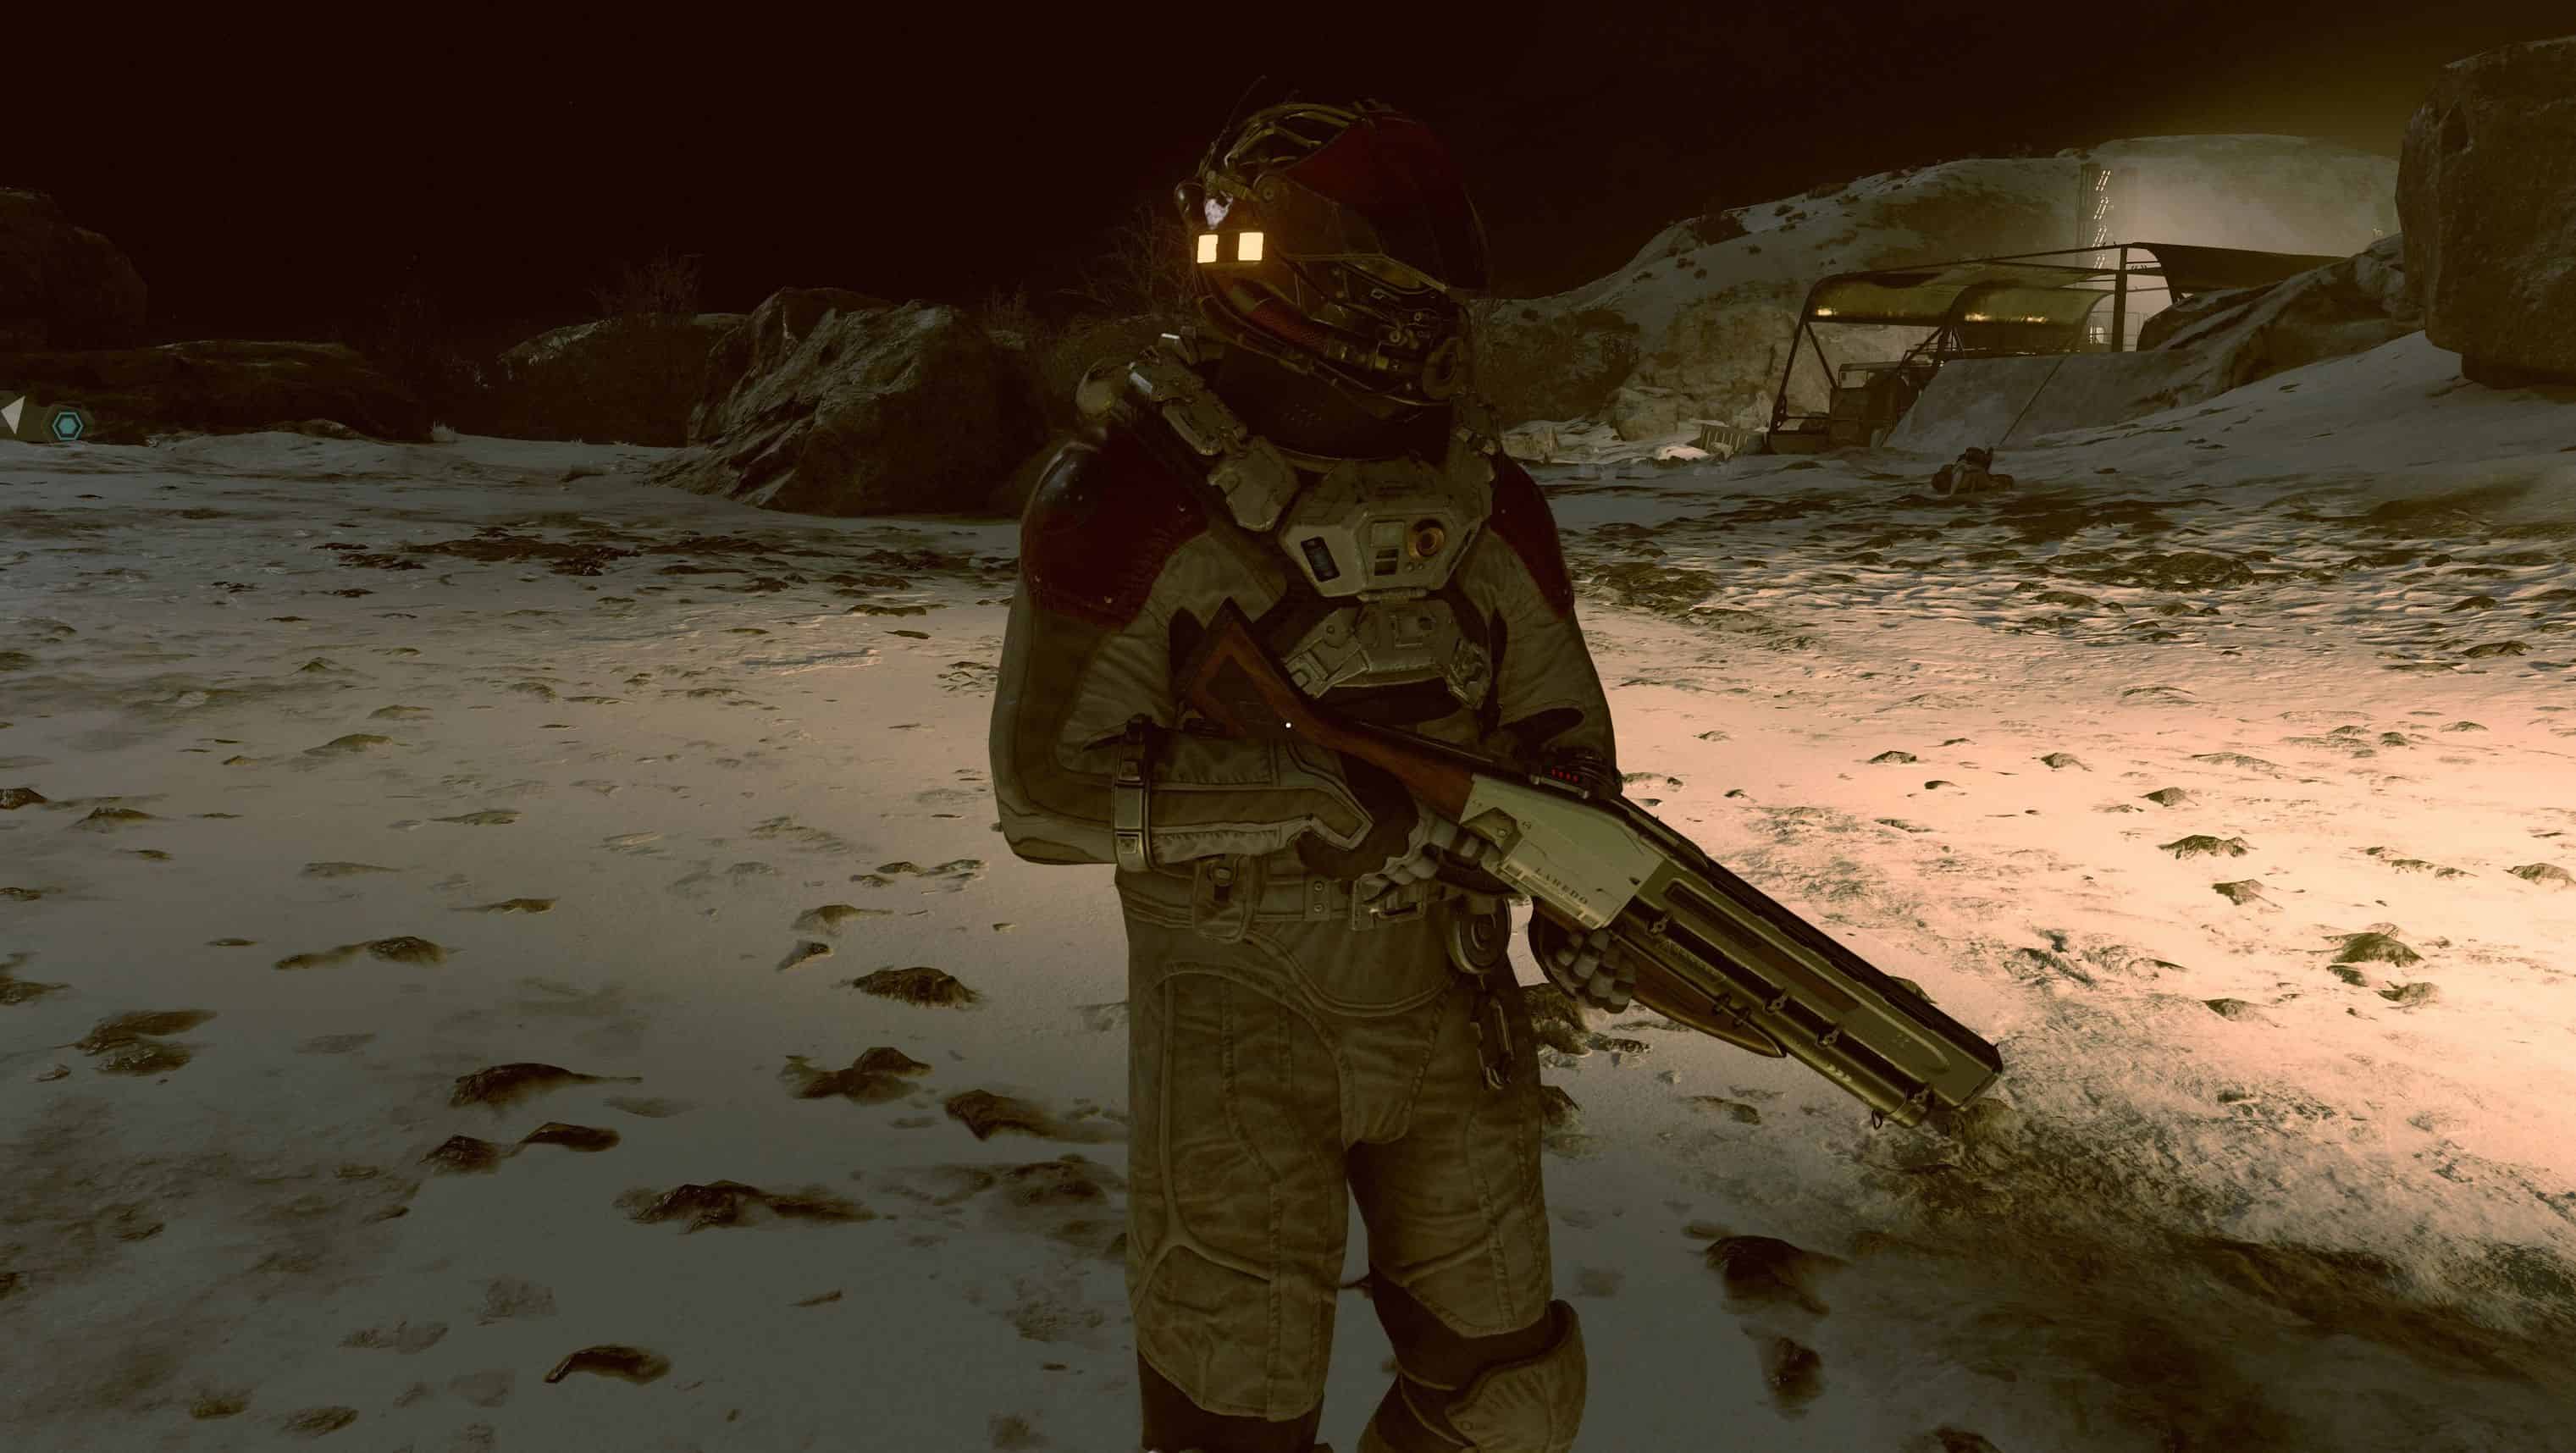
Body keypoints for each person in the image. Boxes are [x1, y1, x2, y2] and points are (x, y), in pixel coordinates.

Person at [988, 99, 1631, 1453]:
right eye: (1387, 297)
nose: (1419, 333)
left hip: (1448, 1000)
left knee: (1510, 1403)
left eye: (1427, 303)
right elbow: (1045, 794)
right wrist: (1308, 803)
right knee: (1234, 1423)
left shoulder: (1485, 502)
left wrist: (1583, 889)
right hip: (1236, 1023)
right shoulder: (1128, 495)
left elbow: (1560, 733)